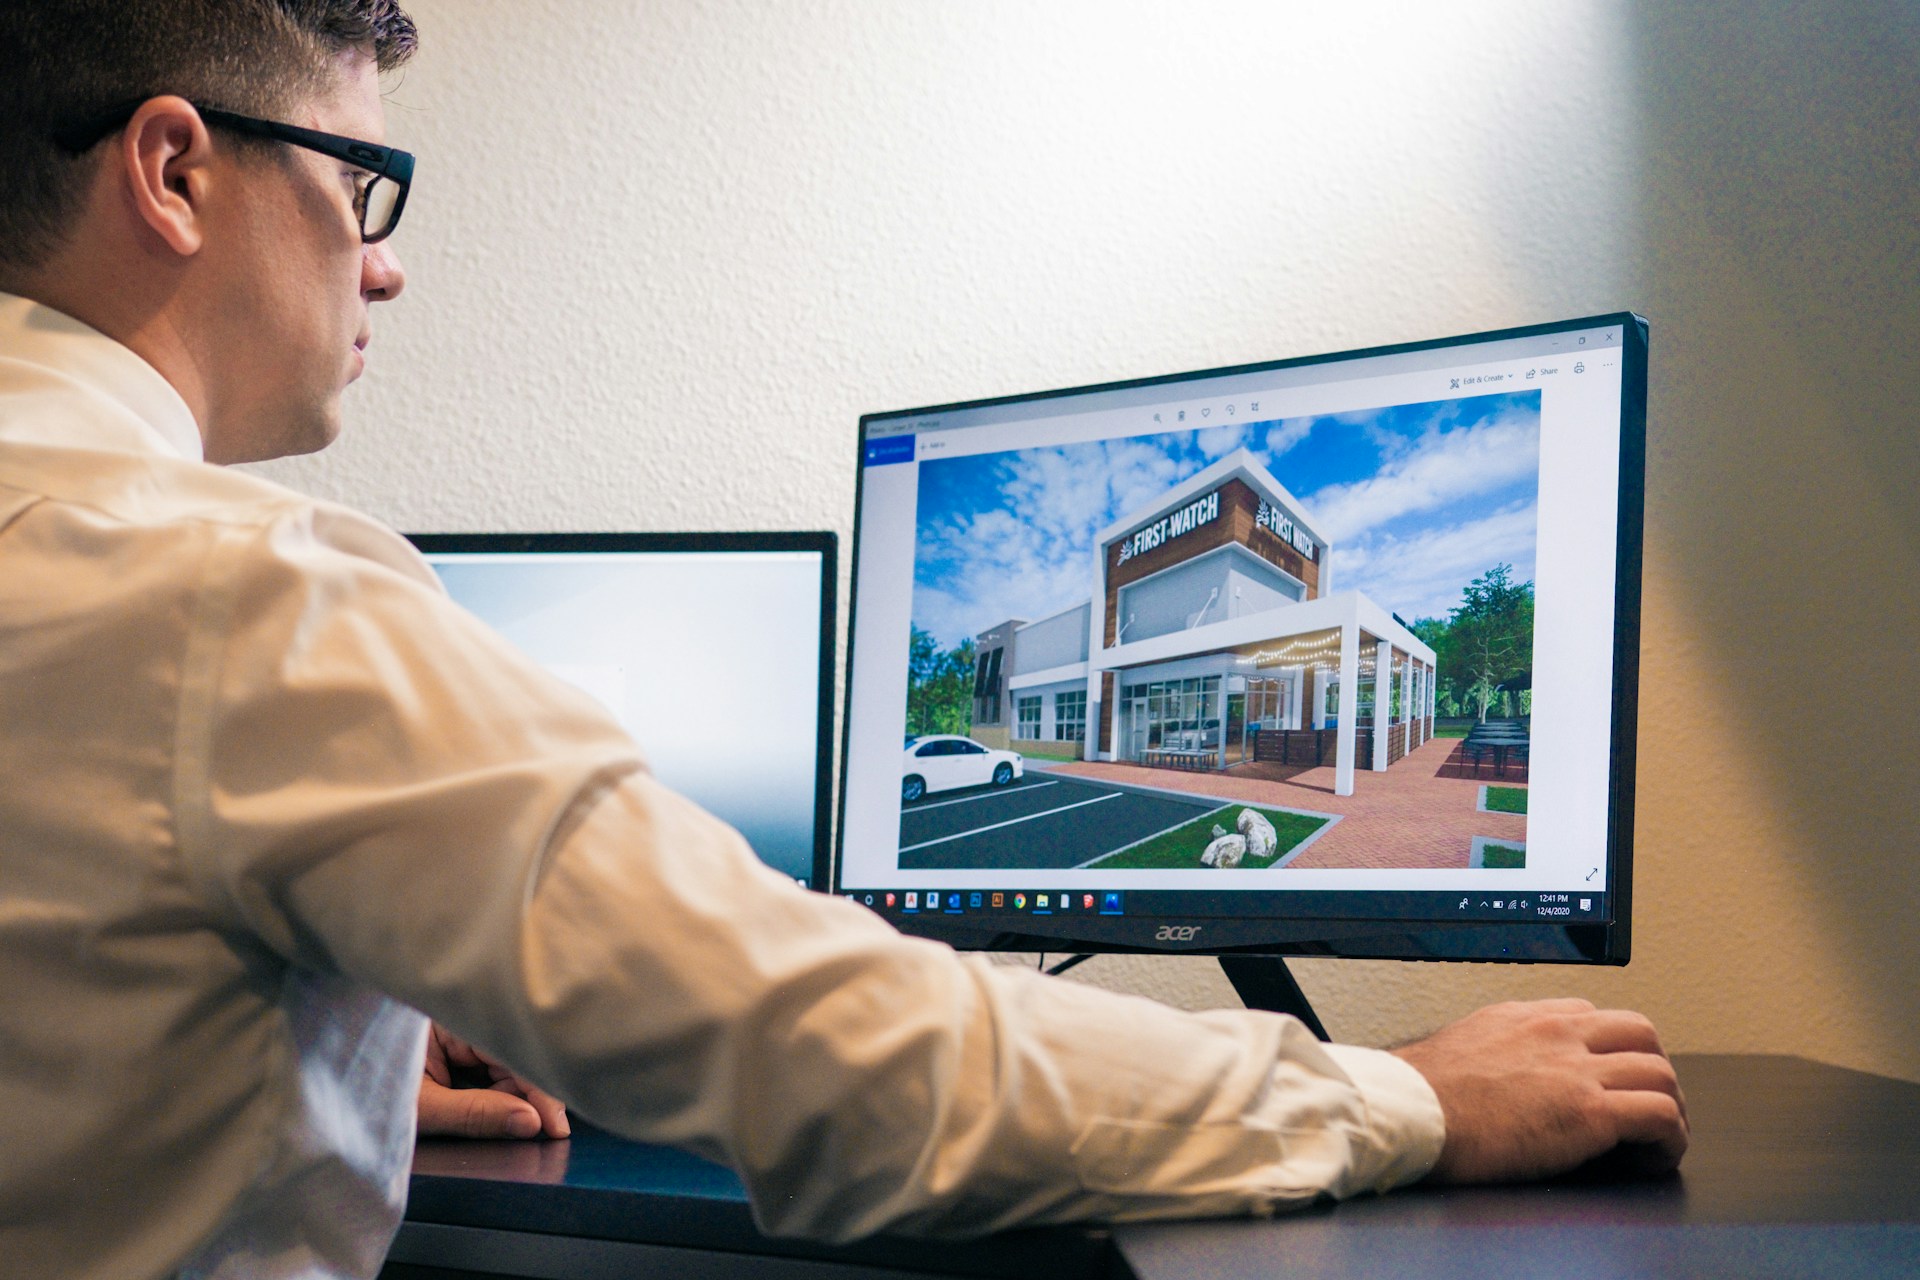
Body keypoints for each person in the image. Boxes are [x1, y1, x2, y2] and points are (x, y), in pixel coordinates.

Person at [0, 3, 1687, 1278]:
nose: (384, 275)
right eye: (365, 185)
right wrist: (1409, 1101)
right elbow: (835, 1057)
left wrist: (328, 1029)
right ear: (174, 170)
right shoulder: (249, 593)